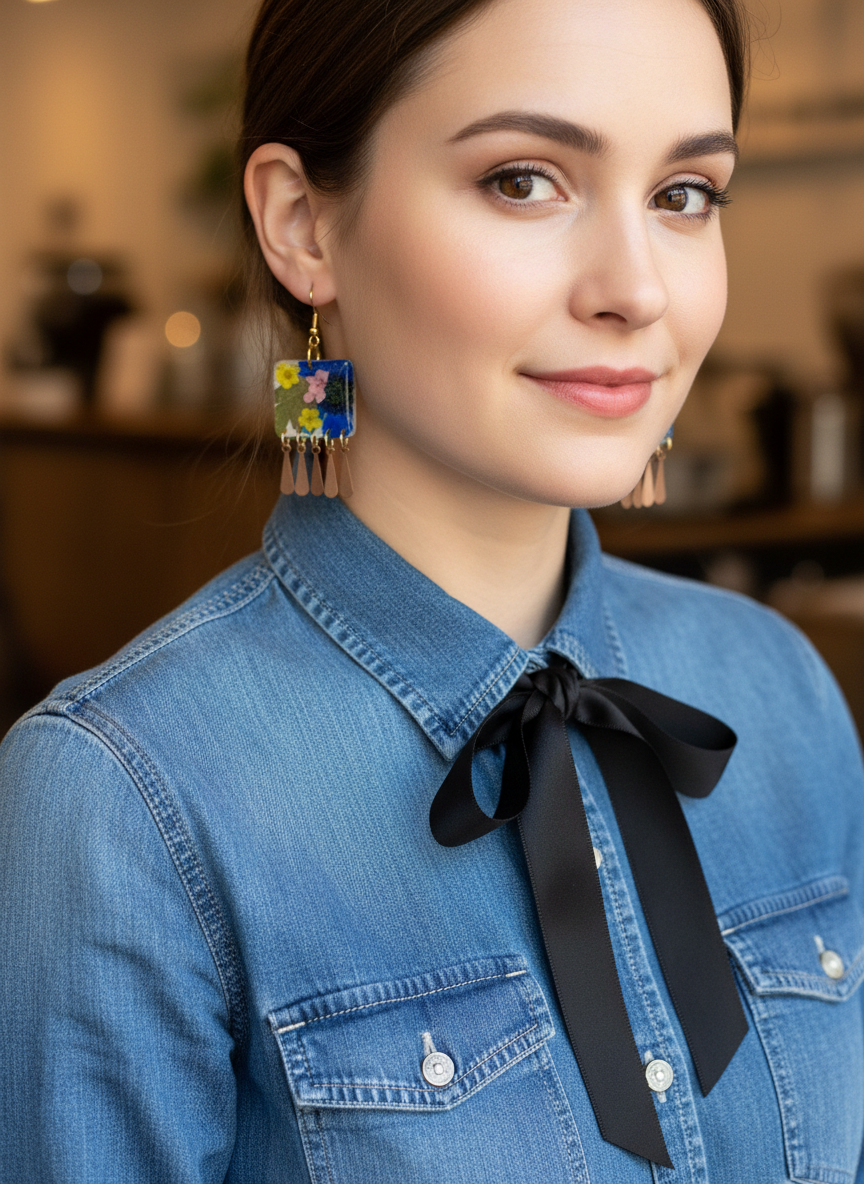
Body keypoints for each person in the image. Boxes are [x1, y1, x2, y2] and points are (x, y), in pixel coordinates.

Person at [2, 0, 864, 1179]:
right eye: (523, 179)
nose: (637, 288)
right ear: (303, 224)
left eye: (684, 195)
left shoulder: (780, 691)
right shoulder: (122, 799)